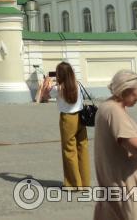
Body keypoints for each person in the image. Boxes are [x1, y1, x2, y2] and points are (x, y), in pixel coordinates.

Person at [93, 70, 137, 220]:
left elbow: (128, 142)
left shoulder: (108, 106)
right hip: (127, 189)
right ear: (126, 89)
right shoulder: (114, 111)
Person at [50, 61, 90, 190]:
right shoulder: (77, 85)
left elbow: (47, 95)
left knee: (69, 151)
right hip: (81, 117)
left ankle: (73, 184)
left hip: (68, 119)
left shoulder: (58, 88)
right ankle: (85, 183)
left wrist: (49, 83)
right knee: (82, 149)